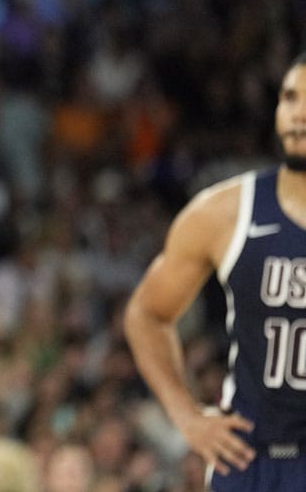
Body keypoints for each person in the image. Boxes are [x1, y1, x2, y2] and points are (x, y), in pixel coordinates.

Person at [125, 52, 306, 490]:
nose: (298, 113)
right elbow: (146, 314)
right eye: (289, 97)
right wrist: (186, 417)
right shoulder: (224, 212)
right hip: (251, 458)